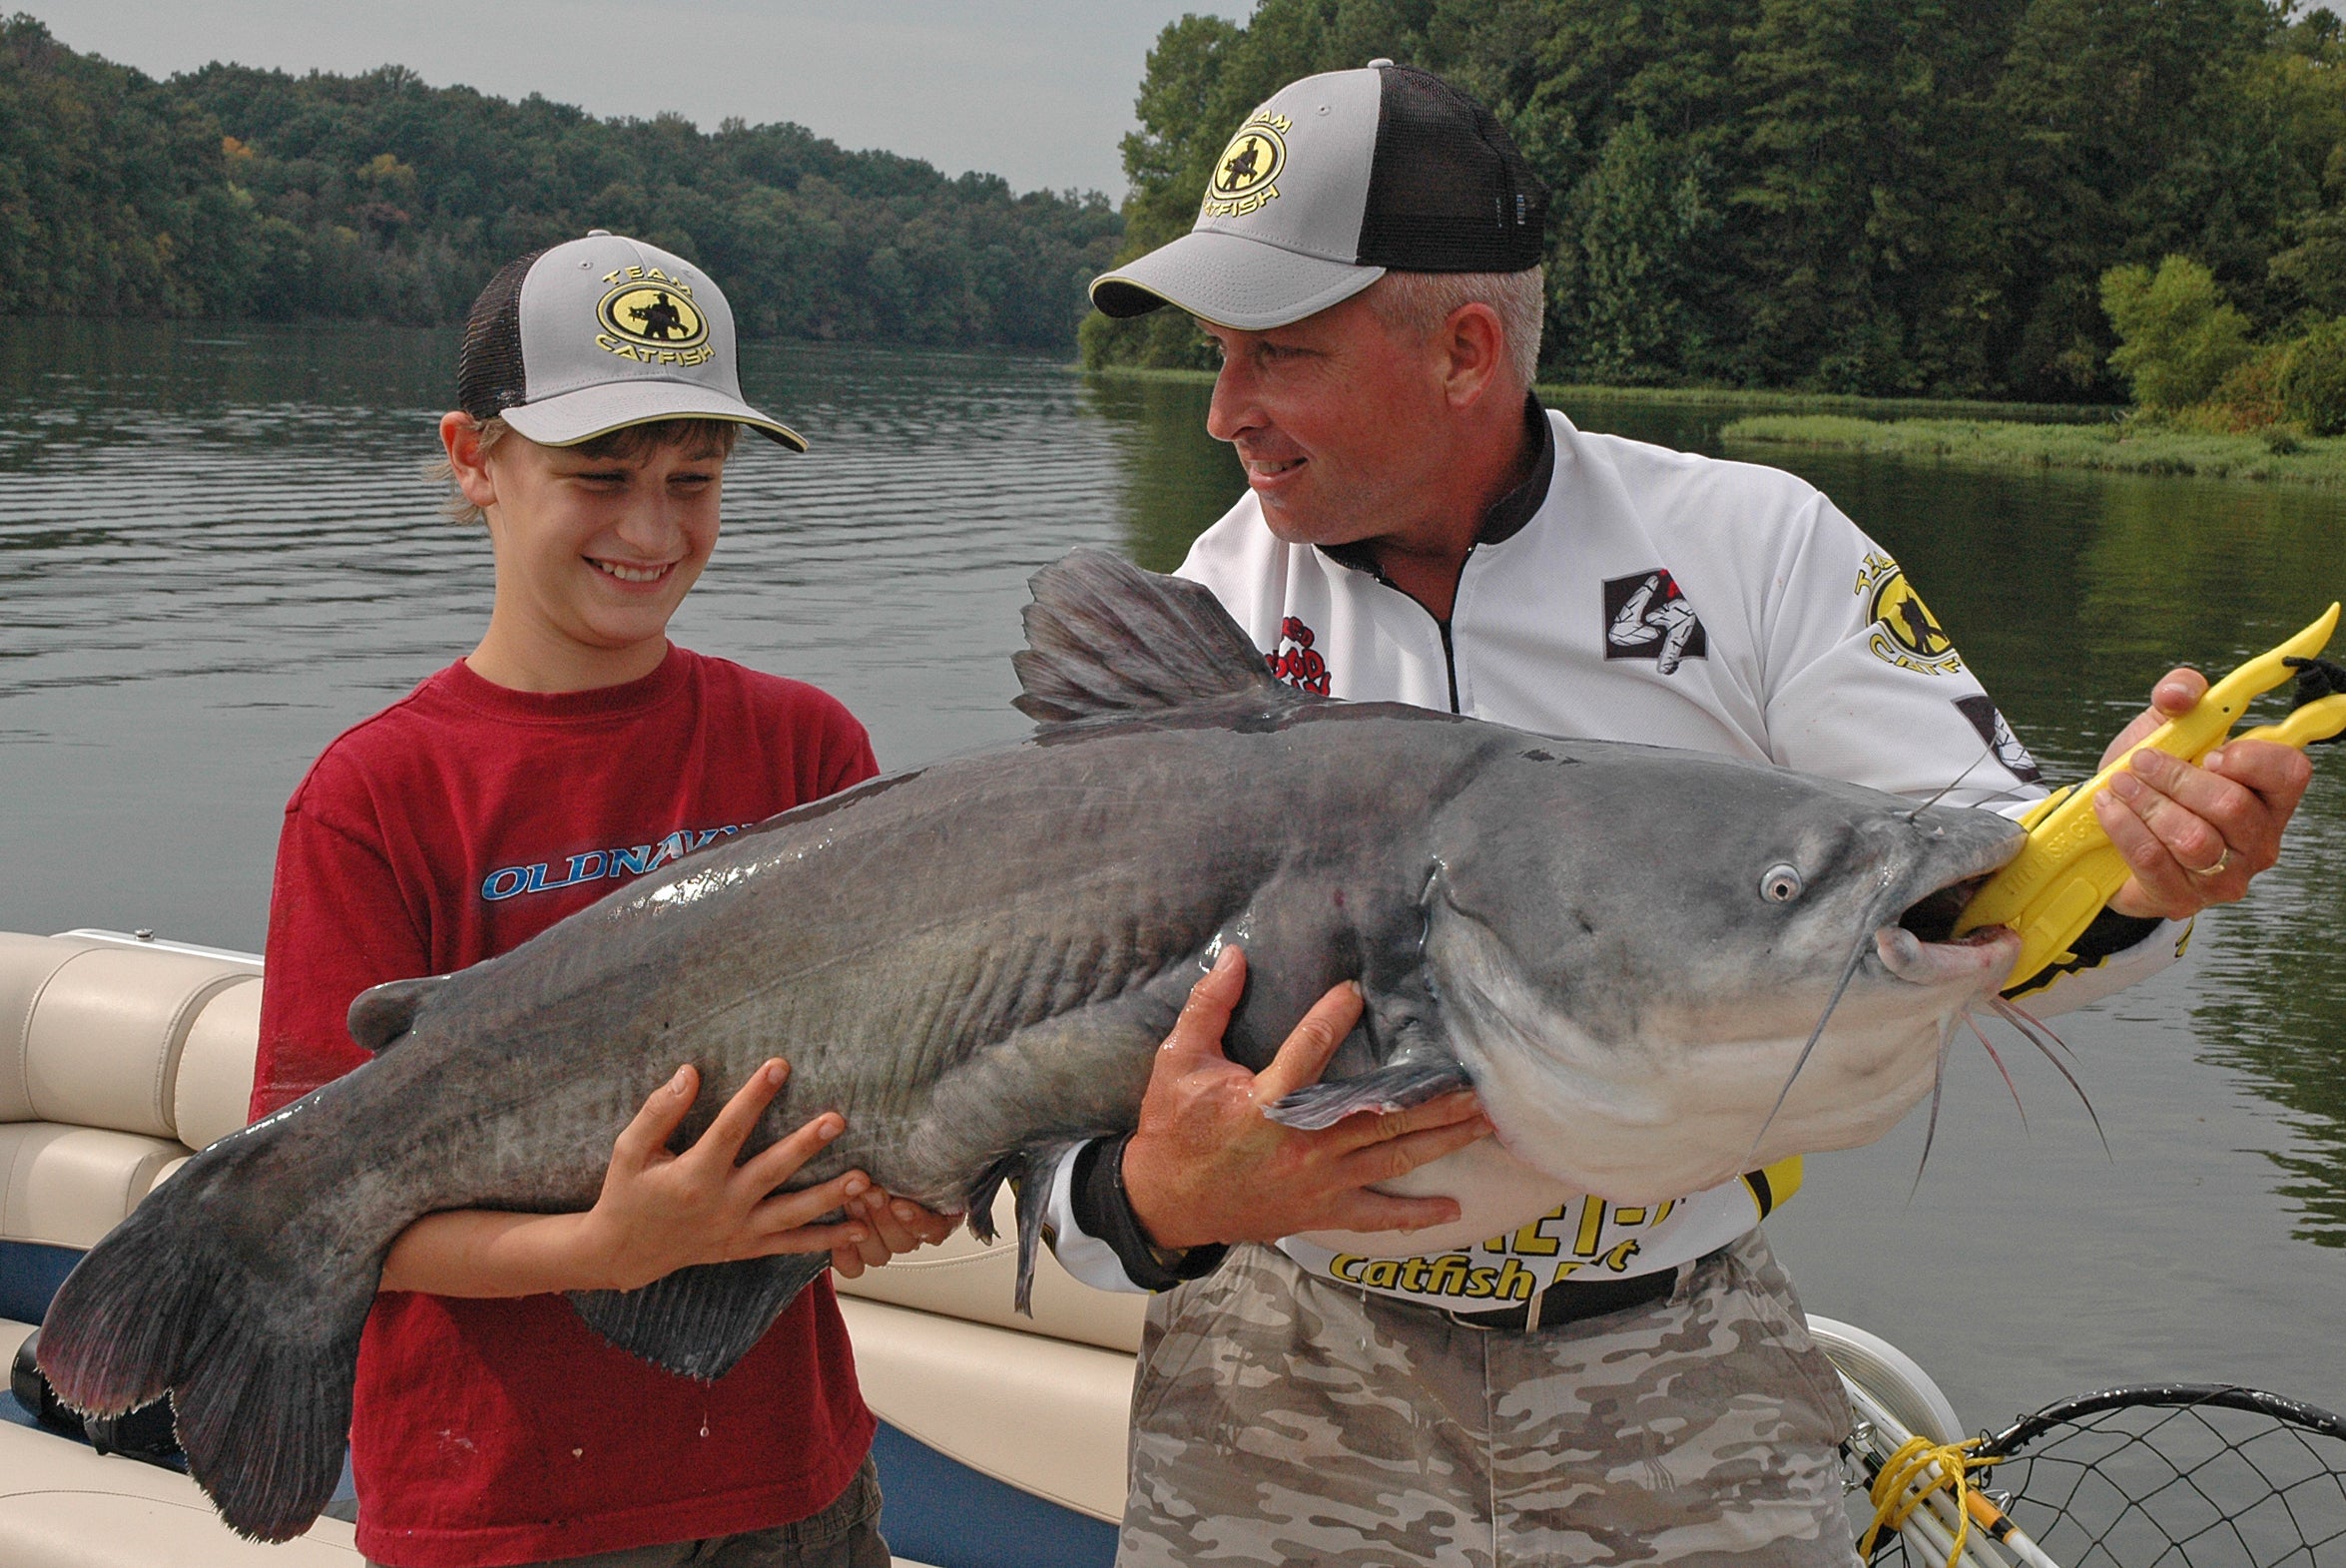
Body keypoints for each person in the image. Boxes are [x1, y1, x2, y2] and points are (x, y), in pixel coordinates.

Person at [1047, 63, 2314, 1566]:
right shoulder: (1209, 619)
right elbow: (1058, 1089)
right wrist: (1144, 1201)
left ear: (1462, 351)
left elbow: (1979, 874)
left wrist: (2138, 862)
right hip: (1280, 1366)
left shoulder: (1750, 551)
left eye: (1275, 354)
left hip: (1669, 1355)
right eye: (1215, 354)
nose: (1223, 414)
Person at [250, 232, 951, 1568]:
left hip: (789, 1488)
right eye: (599, 477)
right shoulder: (377, 796)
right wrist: (605, 1247)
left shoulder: (807, 752)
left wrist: (890, 1198)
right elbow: (310, 1209)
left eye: (695, 480)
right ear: (473, 458)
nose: (651, 529)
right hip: (502, 1512)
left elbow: (891, 1088)